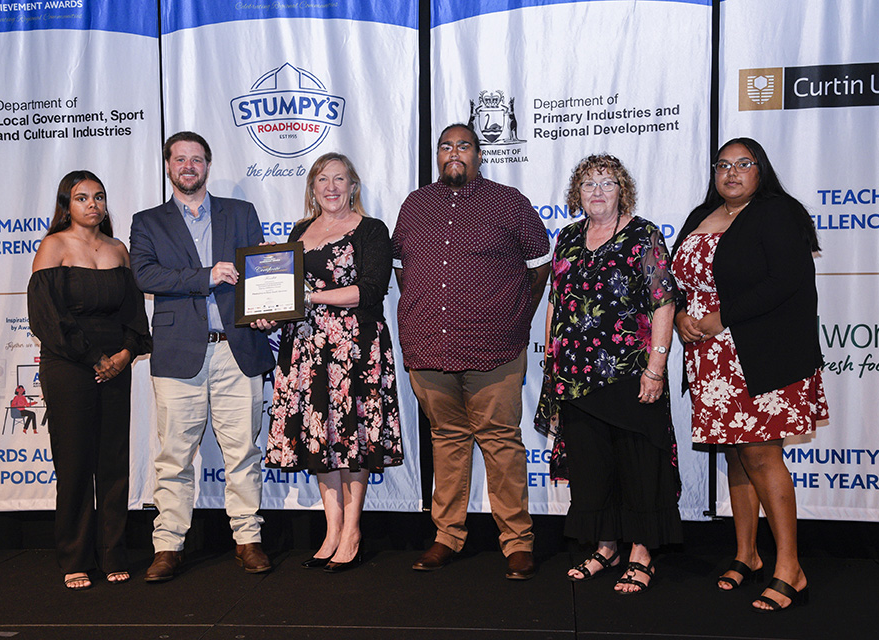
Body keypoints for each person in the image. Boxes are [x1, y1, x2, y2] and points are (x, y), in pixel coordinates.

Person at [672, 137, 828, 612]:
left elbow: (786, 281)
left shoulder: (776, 212)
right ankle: (747, 554)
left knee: (761, 455)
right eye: (723, 165)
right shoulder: (700, 216)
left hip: (760, 355)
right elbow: (677, 281)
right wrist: (680, 315)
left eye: (744, 164)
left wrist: (722, 317)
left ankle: (791, 569)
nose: (732, 172)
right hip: (710, 361)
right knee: (737, 458)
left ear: (761, 171)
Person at [392, 123, 550, 580]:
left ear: (479, 154)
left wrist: (514, 317)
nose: (453, 153)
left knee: (501, 443)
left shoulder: (508, 202)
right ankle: (447, 536)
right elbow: (405, 271)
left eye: (463, 145)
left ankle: (517, 542)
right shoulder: (416, 205)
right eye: (445, 146)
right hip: (429, 347)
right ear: (437, 154)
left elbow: (539, 268)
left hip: (494, 348)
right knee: (447, 442)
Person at [130, 131, 276, 582]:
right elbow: (145, 275)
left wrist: (267, 311)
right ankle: (168, 546)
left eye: (197, 159)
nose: (189, 166)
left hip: (237, 351)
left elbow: (259, 270)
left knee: (243, 452)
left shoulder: (241, 213)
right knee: (173, 456)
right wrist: (206, 275)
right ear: (168, 166)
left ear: (208, 166)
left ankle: (247, 539)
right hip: (178, 355)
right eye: (180, 159)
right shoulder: (147, 221)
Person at [534, 154, 682, 594]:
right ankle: (605, 547)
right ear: (576, 194)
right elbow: (557, 303)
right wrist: (550, 363)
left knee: (638, 464)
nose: (597, 191)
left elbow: (663, 302)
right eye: (588, 184)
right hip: (575, 376)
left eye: (608, 183)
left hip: (630, 374)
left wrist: (656, 367)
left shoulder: (644, 234)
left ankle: (640, 552)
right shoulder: (567, 238)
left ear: (624, 190)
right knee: (591, 467)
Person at [262, 153, 403, 573]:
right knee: (320, 438)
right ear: (312, 187)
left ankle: (353, 530)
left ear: (353, 186)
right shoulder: (299, 231)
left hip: (354, 350)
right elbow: (282, 288)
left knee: (353, 437)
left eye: (340, 179)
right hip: (306, 350)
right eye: (323, 179)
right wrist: (271, 309)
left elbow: (372, 290)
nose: (331, 187)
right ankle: (332, 527)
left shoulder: (371, 230)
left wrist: (310, 299)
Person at [28, 170, 152, 590]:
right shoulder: (54, 246)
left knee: (113, 461)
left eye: (99, 197)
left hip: (115, 363)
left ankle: (114, 553)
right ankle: (75, 558)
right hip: (69, 364)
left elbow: (135, 314)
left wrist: (124, 354)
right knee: (76, 460)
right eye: (82, 198)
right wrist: (94, 357)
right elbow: (46, 316)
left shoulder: (118, 249)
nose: (93, 204)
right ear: (67, 205)